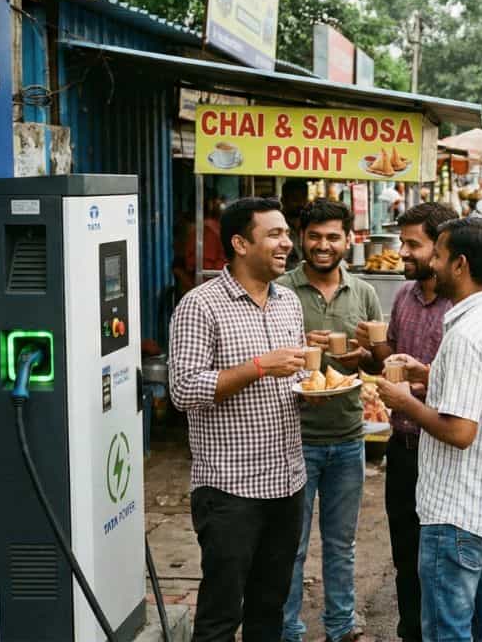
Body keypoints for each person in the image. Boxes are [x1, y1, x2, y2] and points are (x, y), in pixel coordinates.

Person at [375, 218, 482, 642]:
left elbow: (460, 431)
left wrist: (405, 401)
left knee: (447, 630)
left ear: (459, 264)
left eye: (438, 256)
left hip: (456, 513)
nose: (432, 265)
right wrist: (429, 374)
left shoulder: (466, 336)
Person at [169, 197, 309, 642]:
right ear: (239, 243)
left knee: (270, 609)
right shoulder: (200, 305)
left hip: (287, 483)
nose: (287, 242)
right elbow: (184, 390)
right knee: (220, 616)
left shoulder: (288, 302)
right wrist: (259, 366)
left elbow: (299, 378)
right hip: (230, 489)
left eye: (286, 233)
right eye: (274, 234)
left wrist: (317, 390)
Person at [277, 199, 383, 642]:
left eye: (333, 237)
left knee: (341, 544)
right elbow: (266, 354)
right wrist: (301, 344)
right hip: (292, 437)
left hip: (348, 436)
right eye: (315, 236)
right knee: (292, 547)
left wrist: (365, 352)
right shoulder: (281, 289)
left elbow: (380, 355)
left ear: (349, 240)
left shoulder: (363, 293)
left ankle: (341, 625)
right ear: (303, 238)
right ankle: (288, 628)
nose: (323, 245)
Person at [355, 202, 459, 642]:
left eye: (413, 244)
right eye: (402, 242)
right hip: (402, 448)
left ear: (442, 249)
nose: (403, 252)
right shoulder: (402, 297)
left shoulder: (460, 308)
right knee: (406, 555)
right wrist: (368, 351)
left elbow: (465, 393)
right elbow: (388, 366)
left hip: (443, 448)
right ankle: (410, 633)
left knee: (445, 561)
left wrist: (414, 390)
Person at [186, 194, 227, 277]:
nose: (223, 206)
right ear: (210, 205)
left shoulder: (216, 227)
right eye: (219, 202)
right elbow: (207, 267)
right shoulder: (208, 230)